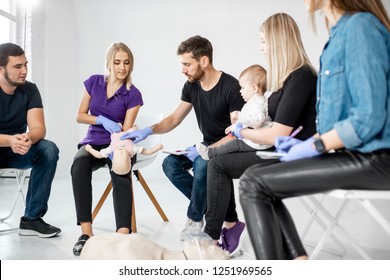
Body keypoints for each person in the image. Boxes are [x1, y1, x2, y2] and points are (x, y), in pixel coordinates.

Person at [239, 0, 390, 260]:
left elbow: (368, 118)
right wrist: (313, 142)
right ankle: (300, 262)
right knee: (257, 176)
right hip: (358, 153)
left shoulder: (360, 27)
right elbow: (339, 120)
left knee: (253, 183)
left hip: (377, 158)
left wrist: (313, 146)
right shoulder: (341, 33)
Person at [203, 13, 318, 256]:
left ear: (278, 42)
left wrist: (242, 131)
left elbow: (278, 134)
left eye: (264, 41)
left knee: (217, 166)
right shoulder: (288, 78)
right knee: (216, 163)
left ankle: (212, 239)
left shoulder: (301, 76)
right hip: (278, 150)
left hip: (290, 156)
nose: (261, 47)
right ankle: (221, 232)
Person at [120, 35, 245, 240]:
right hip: (205, 144)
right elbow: (174, 119)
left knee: (203, 164)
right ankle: (205, 205)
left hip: (229, 146)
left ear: (204, 61)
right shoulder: (191, 86)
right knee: (170, 164)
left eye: (187, 64)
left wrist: (208, 150)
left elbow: (237, 133)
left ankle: (195, 219)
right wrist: (148, 130)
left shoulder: (231, 87)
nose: (183, 70)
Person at [71, 42, 143, 256]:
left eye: (127, 62)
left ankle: (122, 234)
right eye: (117, 62)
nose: (122, 67)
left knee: (120, 171)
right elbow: (80, 116)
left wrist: (117, 146)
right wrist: (101, 119)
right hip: (93, 142)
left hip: (118, 143)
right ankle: (86, 233)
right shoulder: (94, 82)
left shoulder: (133, 94)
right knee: (78, 165)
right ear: (109, 63)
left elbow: (127, 130)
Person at [0, 43, 61, 238]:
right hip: (7, 143)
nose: (24, 71)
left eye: (25, 65)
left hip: (17, 149)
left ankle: (31, 219)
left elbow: (38, 128)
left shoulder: (30, 90)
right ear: (1, 69)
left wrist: (27, 138)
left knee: (48, 149)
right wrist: (10, 140)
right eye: (17, 67)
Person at [196, 64, 272, 160]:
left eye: (243, 88)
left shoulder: (259, 102)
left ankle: (210, 153)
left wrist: (240, 116)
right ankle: (211, 153)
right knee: (233, 143)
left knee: (234, 144)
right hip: (255, 140)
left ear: (254, 88)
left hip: (259, 143)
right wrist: (234, 127)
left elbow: (258, 120)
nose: (240, 91)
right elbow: (247, 123)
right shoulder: (253, 102)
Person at [85, 125, 163, 175]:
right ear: (130, 159)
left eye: (119, 152)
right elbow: (146, 152)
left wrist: (90, 149)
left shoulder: (110, 151)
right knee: (134, 129)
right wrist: (156, 148)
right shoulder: (132, 150)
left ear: (112, 160)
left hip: (114, 131)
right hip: (129, 132)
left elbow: (98, 155)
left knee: (110, 128)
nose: (121, 148)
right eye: (123, 152)